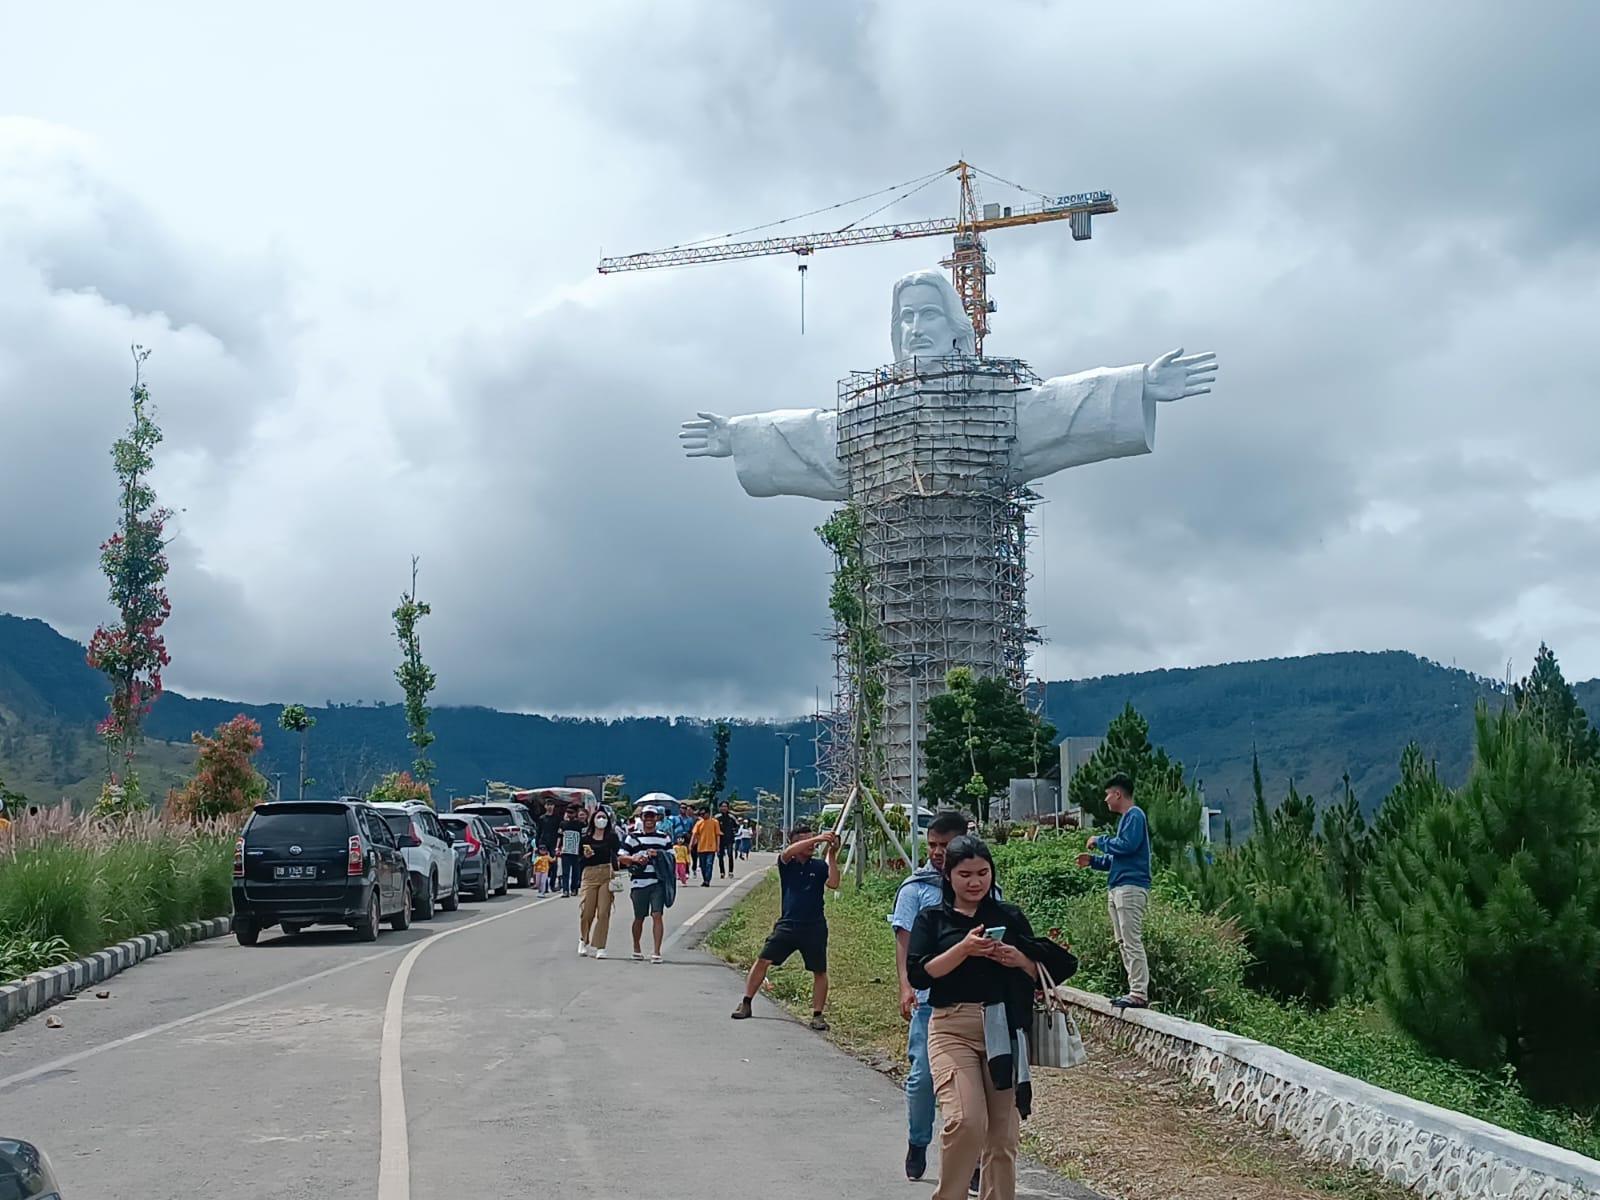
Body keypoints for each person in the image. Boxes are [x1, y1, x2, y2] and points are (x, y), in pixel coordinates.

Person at [908, 837, 1076, 1200]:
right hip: (953, 1028)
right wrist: (964, 949)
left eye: (983, 873)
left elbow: (1054, 968)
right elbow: (921, 975)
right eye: (965, 874)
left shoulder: (1008, 917)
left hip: (1004, 1032)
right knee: (966, 1121)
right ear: (948, 876)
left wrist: (1018, 959)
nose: (975, 882)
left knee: (1003, 1137)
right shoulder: (932, 919)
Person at [889, 811, 971, 1182]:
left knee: (976, 1088)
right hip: (929, 1001)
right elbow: (903, 942)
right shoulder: (916, 888)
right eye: (932, 845)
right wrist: (906, 985)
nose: (937, 853)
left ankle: (973, 1161)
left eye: (945, 845)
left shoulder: (978, 883)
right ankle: (917, 1140)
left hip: (976, 1002)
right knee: (922, 1078)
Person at [731, 825, 840, 1030]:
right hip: (788, 924)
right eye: (806, 841)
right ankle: (746, 1002)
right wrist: (817, 838)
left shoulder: (818, 866)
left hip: (814, 926)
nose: (812, 845)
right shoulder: (787, 863)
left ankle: (818, 1014)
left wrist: (832, 854)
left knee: (819, 970)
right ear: (795, 842)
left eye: (813, 841)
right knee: (763, 960)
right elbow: (787, 852)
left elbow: (834, 883)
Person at [1076, 771, 1152, 1009]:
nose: (1106, 799)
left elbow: (1127, 846)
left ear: (1118, 793)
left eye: (1108, 794)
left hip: (1130, 887)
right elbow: (1118, 857)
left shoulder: (1134, 815)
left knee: (1131, 939)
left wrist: (1099, 840)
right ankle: (1133, 989)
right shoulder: (1126, 821)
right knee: (1123, 940)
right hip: (1119, 885)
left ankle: (1139, 992)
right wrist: (1094, 861)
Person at [621, 806, 674, 963]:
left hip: (658, 882)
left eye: (652, 816)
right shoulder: (632, 837)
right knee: (639, 917)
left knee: (657, 915)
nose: (649, 819)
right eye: (646, 816)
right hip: (639, 882)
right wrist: (635, 859)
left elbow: (672, 858)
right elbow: (621, 857)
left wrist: (657, 854)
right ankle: (636, 947)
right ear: (642, 818)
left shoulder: (664, 837)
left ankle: (657, 951)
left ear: (657, 818)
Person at [577, 808, 622, 958]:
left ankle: (600, 946)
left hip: (606, 873)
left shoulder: (612, 837)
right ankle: (583, 939)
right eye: (598, 817)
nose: (601, 820)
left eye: (604, 817)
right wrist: (586, 856)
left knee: (603, 912)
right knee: (587, 912)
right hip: (590, 874)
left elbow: (617, 854)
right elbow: (579, 860)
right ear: (593, 820)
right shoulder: (585, 839)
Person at [691, 806, 722, 886]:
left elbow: (718, 835)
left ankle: (707, 880)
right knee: (703, 865)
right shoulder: (699, 823)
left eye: (703, 814)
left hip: (711, 847)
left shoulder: (715, 822)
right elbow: (694, 834)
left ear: (708, 813)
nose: (702, 815)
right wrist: (691, 844)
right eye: (701, 814)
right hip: (701, 847)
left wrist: (718, 846)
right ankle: (705, 879)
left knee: (709, 864)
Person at [717, 802, 739, 877]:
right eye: (722, 806)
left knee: (730, 854)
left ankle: (730, 871)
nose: (724, 808)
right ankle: (722, 872)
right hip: (720, 839)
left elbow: (737, 826)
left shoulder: (731, 817)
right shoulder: (717, 817)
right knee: (720, 856)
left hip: (729, 839)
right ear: (719, 808)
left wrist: (734, 832)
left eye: (725, 806)